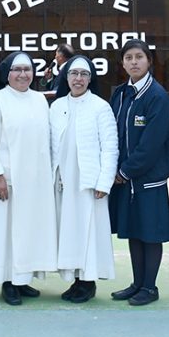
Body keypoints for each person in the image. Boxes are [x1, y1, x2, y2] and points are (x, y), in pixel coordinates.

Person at [0, 52, 57, 305]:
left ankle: (23, 279)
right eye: (17, 70)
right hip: (6, 181)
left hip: (34, 183)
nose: (22, 74)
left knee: (27, 232)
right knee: (6, 234)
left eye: (27, 70)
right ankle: (8, 282)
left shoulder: (39, 100)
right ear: (7, 74)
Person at [108, 39, 169, 307]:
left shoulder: (157, 96)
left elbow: (151, 144)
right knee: (133, 231)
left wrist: (125, 170)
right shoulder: (121, 94)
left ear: (149, 61)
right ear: (122, 63)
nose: (134, 62)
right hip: (125, 178)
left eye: (139, 57)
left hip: (148, 179)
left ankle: (150, 286)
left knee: (150, 232)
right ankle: (137, 283)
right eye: (129, 58)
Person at [49, 55, 118, 304]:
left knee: (88, 233)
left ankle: (88, 282)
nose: (78, 79)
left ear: (90, 79)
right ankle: (75, 279)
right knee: (68, 232)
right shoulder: (56, 106)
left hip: (89, 183)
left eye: (84, 74)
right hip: (63, 183)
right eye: (73, 74)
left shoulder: (101, 107)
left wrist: (104, 182)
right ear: (66, 77)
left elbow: (110, 148)